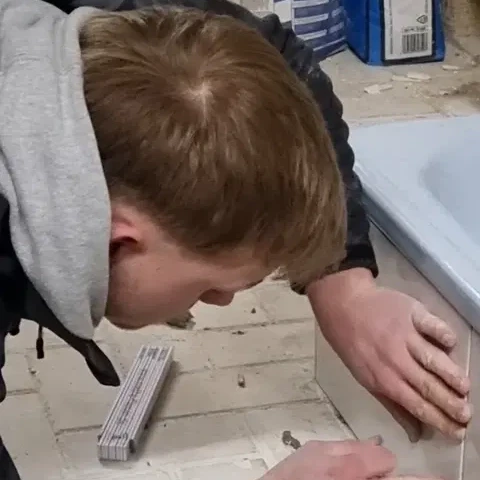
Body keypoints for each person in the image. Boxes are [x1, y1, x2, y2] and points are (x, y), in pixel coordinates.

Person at [0, 0, 470, 479]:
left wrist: (343, 281)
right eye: (208, 287)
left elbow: (273, 58)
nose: (221, 302)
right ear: (117, 243)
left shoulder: (97, 44)